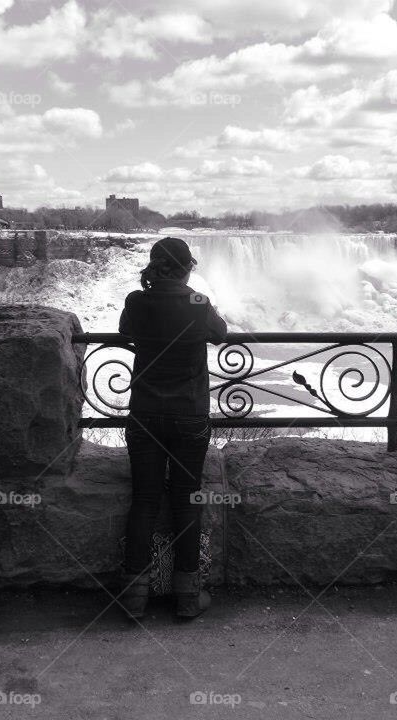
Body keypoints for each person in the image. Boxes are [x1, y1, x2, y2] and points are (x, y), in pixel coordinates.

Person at [117, 237, 227, 620]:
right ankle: (187, 596)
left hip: (145, 412)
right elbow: (221, 333)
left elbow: (125, 331)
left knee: (144, 500)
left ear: (154, 265)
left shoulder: (136, 300)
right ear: (186, 267)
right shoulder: (197, 302)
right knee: (186, 499)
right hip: (189, 413)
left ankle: (133, 599)